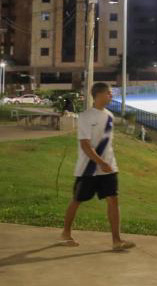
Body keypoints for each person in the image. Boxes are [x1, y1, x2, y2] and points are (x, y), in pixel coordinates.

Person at [59, 82, 134, 251]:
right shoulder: (85, 117)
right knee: (77, 200)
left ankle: (117, 240)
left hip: (109, 168)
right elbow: (85, 145)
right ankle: (65, 232)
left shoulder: (109, 116)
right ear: (99, 94)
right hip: (88, 169)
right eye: (109, 93)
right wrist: (101, 162)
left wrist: (108, 164)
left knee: (113, 200)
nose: (111, 96)